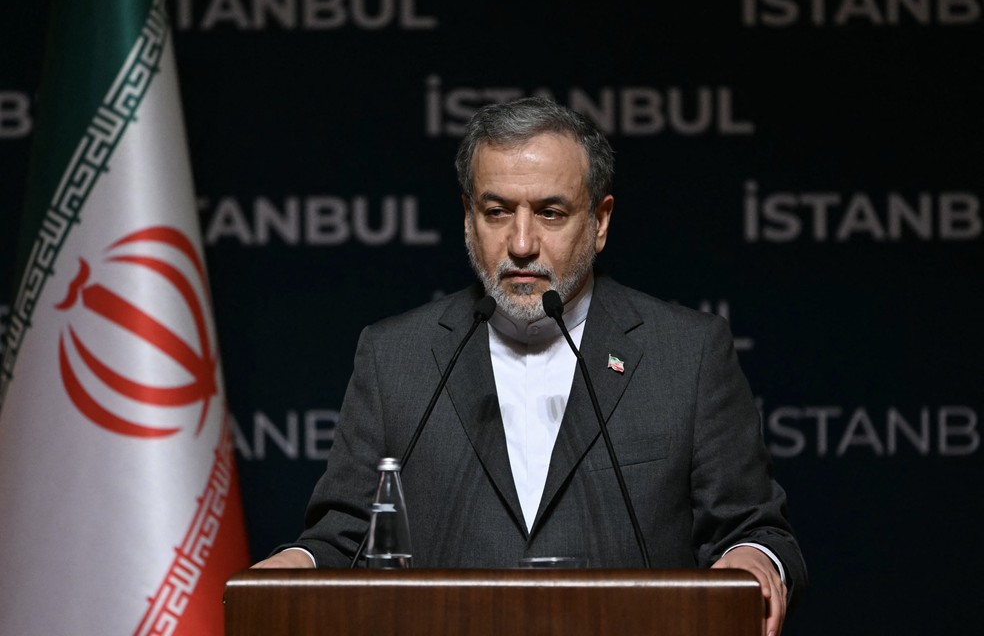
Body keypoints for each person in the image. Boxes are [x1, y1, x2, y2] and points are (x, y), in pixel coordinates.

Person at [254, 97, 807, 636]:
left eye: (550, 212)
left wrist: (754, 563)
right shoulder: (394, 356)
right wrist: (294, 567)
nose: (521, 244)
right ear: (469, 221)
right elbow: (345, 536)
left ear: (599, 221)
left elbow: (751, 529)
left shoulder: (687, 353)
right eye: (497, 212)